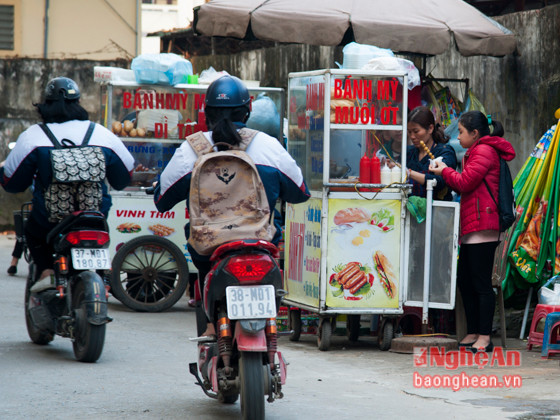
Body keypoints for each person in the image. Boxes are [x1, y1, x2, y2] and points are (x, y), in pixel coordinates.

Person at [154, 75, 310, 337]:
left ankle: (211, 327)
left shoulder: (192, 149)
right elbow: (300, 192)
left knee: (199, 253)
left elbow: (162, 200)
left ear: (206, 112)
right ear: (247, 110)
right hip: (260, 241)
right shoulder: (268, 146)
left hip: (209, 247)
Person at [0, 77, 135, 291]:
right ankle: (101, 278)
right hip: (94, 217)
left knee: (32, 232)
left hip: (49, 220)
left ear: (46, 104)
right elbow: (124, 177)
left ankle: (46, 271)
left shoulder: (34, 136)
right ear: (78, 102)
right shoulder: (101, 134)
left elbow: (12, 183)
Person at [429, 111, 515, 353]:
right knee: (465, 280)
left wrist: (444, 170)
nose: (458, 136)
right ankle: (474, 331)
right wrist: (446, 169)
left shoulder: (484, 151)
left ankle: (485, 337)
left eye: (461, 132)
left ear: (475, 133)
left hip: (484, 226)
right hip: (474, 225)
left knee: (480, 283)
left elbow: (465, 182)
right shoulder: (475, 151)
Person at [406, 106, 457, 200]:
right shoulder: (408, 153)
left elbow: (441, 181)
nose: (412, 136)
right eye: (409, 132)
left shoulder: (445, 152)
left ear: (430, 128)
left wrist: (408, 173)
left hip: (438, 211)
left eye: (416, 131)